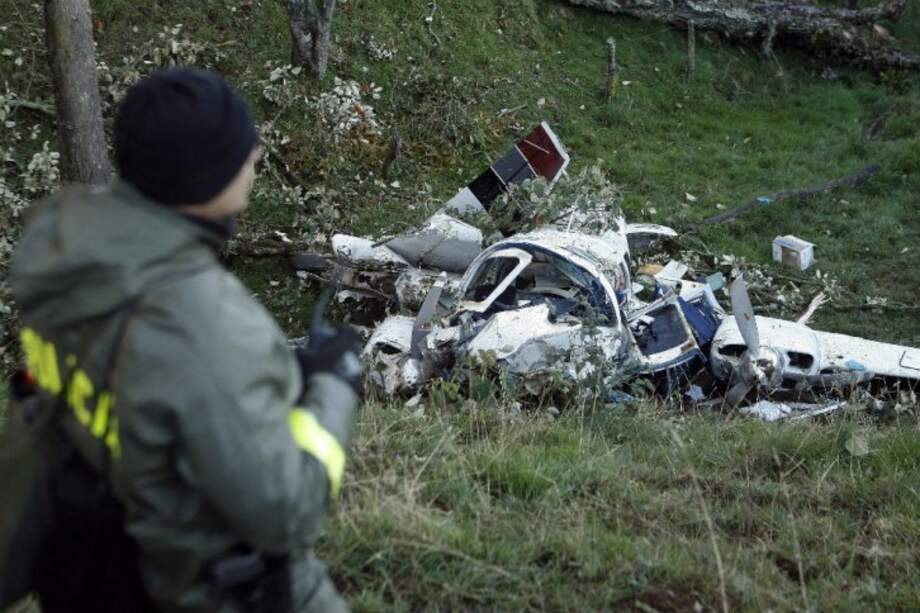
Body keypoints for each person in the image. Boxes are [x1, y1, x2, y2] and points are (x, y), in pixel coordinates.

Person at [7, 68, 361, 612]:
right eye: (247, 153)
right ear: (209, 177)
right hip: (199, 588)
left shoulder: (63, 260)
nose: (257, 158)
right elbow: (287, 512)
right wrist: (333, 386)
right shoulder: (206, 323)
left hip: (88, 571)